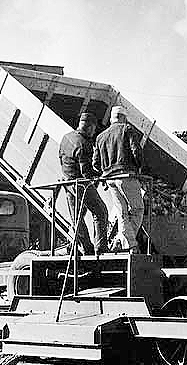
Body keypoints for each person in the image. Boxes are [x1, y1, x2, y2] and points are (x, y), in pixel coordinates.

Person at [93, 105, 144, 254]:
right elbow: (136, 152)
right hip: (126, 176)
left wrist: (105, 170)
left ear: (111, 119)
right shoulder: (126, 129)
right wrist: (139, 167)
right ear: (123, 117)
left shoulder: (100, 137)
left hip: (110, 179)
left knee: (122, 212)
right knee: (137, 209)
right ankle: (128, 243)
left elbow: (95, 164)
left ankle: (122, 242)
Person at [59, 112, 108, 256]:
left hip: (68, 182)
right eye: (93, 129)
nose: (94, 132)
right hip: (80, 184)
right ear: (90, 127)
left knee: (76, 219)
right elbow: (86, 172)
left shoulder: (66, 137)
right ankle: (100, 248)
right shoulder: (83, 143)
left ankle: (86, 247)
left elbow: (60, 157)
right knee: (100, 211)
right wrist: (101, 175)